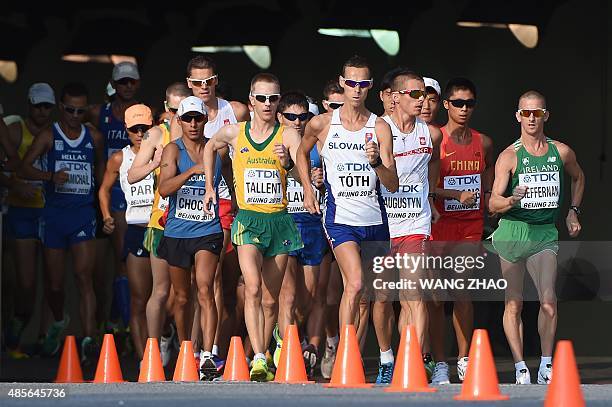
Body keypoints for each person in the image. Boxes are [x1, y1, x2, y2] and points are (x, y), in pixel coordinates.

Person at [297, 56, 399, 369]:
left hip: (374, 221)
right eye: (351, 82)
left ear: (370, 86)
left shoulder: (379, 126)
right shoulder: (323, 123)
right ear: (342, 83)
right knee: (354, 284)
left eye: (363, 83)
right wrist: (307, 186)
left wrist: (376, 163)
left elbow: (392, 183)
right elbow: (300, 153)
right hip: (340, 220)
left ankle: (372, 358)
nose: (356, 89)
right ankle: (345, 358)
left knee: (373, 295)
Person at [203, 73, 303, 381]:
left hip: (280, 221)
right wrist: (210, 185)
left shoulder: (287, 136)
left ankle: (270, 348)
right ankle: (259, 357)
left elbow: (303, 177)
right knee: (253, 288)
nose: (268, 104)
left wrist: (288, 164)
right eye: (262, 98)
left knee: (272, 299)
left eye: (273, 98)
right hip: (248, 220)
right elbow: (209, 147)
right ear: (251, 100)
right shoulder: (234, 132)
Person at [489, 90, 584, 385]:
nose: (532, 118)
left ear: (546, 115)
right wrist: (511, 201)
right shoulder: (509, 156)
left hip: (544, 233)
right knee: (514, 304)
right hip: (513, 232)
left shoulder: (562, 152)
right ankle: (520, 367)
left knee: (548, 302)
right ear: (518, 116)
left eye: (537, 113)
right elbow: (492, 205)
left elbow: (579, 177)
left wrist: (573, 212)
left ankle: (546, 364)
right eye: (526, 113)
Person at [20, 83, 105, 363]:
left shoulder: (93, 136)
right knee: (55, 286)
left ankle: (90, 339)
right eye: (69, 109)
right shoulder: (49, 136)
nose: (74, 115)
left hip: (82, 215)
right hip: (54, 216)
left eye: (81, 111)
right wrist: (49, 177)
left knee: (85, 277)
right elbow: (24, 166)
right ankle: (59, 320)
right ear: (61, 107)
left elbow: (102, 170)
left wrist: (99, 200)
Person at [373, 69, 442, 384]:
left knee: (413, 294)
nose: (422, 100)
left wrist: (431, 198)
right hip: (385, 223)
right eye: (414, 94)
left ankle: (414, 359)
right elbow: (390, 181)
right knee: (385, 297)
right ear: (396, 97)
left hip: (416, 222)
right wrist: (376, 163)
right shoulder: (382, 127)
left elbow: (434, 165)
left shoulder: (432, 133)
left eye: (425, 94)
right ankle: (388, 357)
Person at [157, 96, 224, 380]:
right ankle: (187, 350)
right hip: (177, 231)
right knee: (182, 298)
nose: (194, 123)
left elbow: (234, 181)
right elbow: (164, 188)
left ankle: (208, 354)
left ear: (206, 119)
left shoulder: (217, 150)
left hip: (208, 229)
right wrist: (192, 172)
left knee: (206, 289)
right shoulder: (173, 150)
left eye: (198, 118)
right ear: (180, 121)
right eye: (188, 119)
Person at [127, 82, 190, 366]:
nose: (180, 117)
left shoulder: (198, 132)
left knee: (186, 295)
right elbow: (131, 175)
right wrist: (157, 163)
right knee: (161, 291)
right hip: (162, 221)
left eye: (185, 110)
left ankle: (191, 352)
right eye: (175, 110)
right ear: (166, 108)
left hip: (192, 222)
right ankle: (154, 351)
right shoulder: (156, 134)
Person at [275, 91, 326, 378]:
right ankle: (287, 350)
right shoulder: (273, 141)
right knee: (288, 294)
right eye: (291, 116)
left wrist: (320, 180)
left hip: (311, 222)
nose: (297, 121)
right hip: (284, 220)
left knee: (308, 296)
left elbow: (329, 178)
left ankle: (296, 336)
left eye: (303, 116)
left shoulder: (316, 145)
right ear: (281, 117)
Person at [99, 104, 155, 364]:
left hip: (162, 229)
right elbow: (103, 190)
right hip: (135, 229)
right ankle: (146, 359)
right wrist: (107, 216)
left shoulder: (163, 151)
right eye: (135, 129)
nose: (140, 133)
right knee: (139, 299)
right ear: (127, 130)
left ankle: (164, 339)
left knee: (169, 296)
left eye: (145, 128)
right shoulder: (119, 158)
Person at [4, 83, 55, 357]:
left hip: (48, 210)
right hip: (21, 210)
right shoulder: (15, 129)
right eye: (38, 106)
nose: (43, 111)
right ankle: (17, 322)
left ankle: (45, 338)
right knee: (25, 282)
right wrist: (14, 184)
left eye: (48, 106)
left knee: (52, 278)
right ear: (29, 105)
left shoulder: (55, 134)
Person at [89, 61, 141, 331]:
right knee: (117, 261)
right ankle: (119, 324)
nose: (128, 86)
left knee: (136, 262)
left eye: (132, 81)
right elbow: (67, 121)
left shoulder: (146, 114)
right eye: (123, 82)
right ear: (114, 83)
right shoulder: (99, 112)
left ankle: (122, 321)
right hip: (112, 191)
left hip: (141, 190)